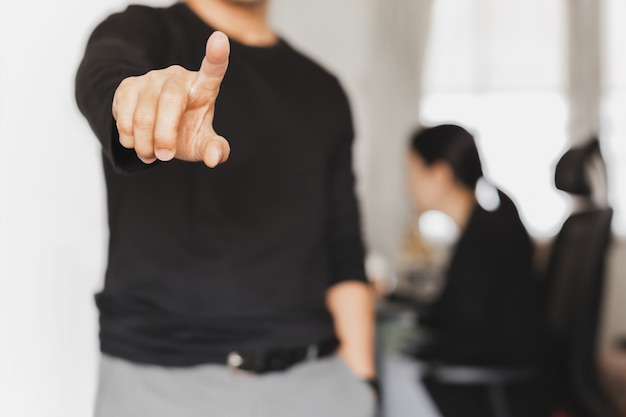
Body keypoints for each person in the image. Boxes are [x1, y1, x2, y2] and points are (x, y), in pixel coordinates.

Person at [74, 1, 376, 416]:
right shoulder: (145, 32)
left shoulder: (324, 89)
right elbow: (105, 72)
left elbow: (345, 253)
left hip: (319, 385)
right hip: (163, 388)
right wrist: (131, 101)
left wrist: (363, 385)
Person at [402, 124, 546, 417]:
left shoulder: (487, 236)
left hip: (485, 386)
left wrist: (414, 345)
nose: (408, 185)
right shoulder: (485, 225)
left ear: (440, 175)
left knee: (391, 370)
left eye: (413, 172)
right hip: (495, 377)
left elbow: (466, 333)